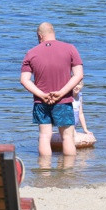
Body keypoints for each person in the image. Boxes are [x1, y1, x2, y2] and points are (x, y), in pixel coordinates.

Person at [20, 22, 83, 157]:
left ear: (39, 35)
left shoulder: (31, 53)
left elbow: (24, 80)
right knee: (67, 137)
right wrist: (61, 92)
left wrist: (41, 95)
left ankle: (44, 172)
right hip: (63, 100)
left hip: (41, 102)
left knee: (44, 136)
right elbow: (79, 75)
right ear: (53, 32)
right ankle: (68, 173)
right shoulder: (70, 48)